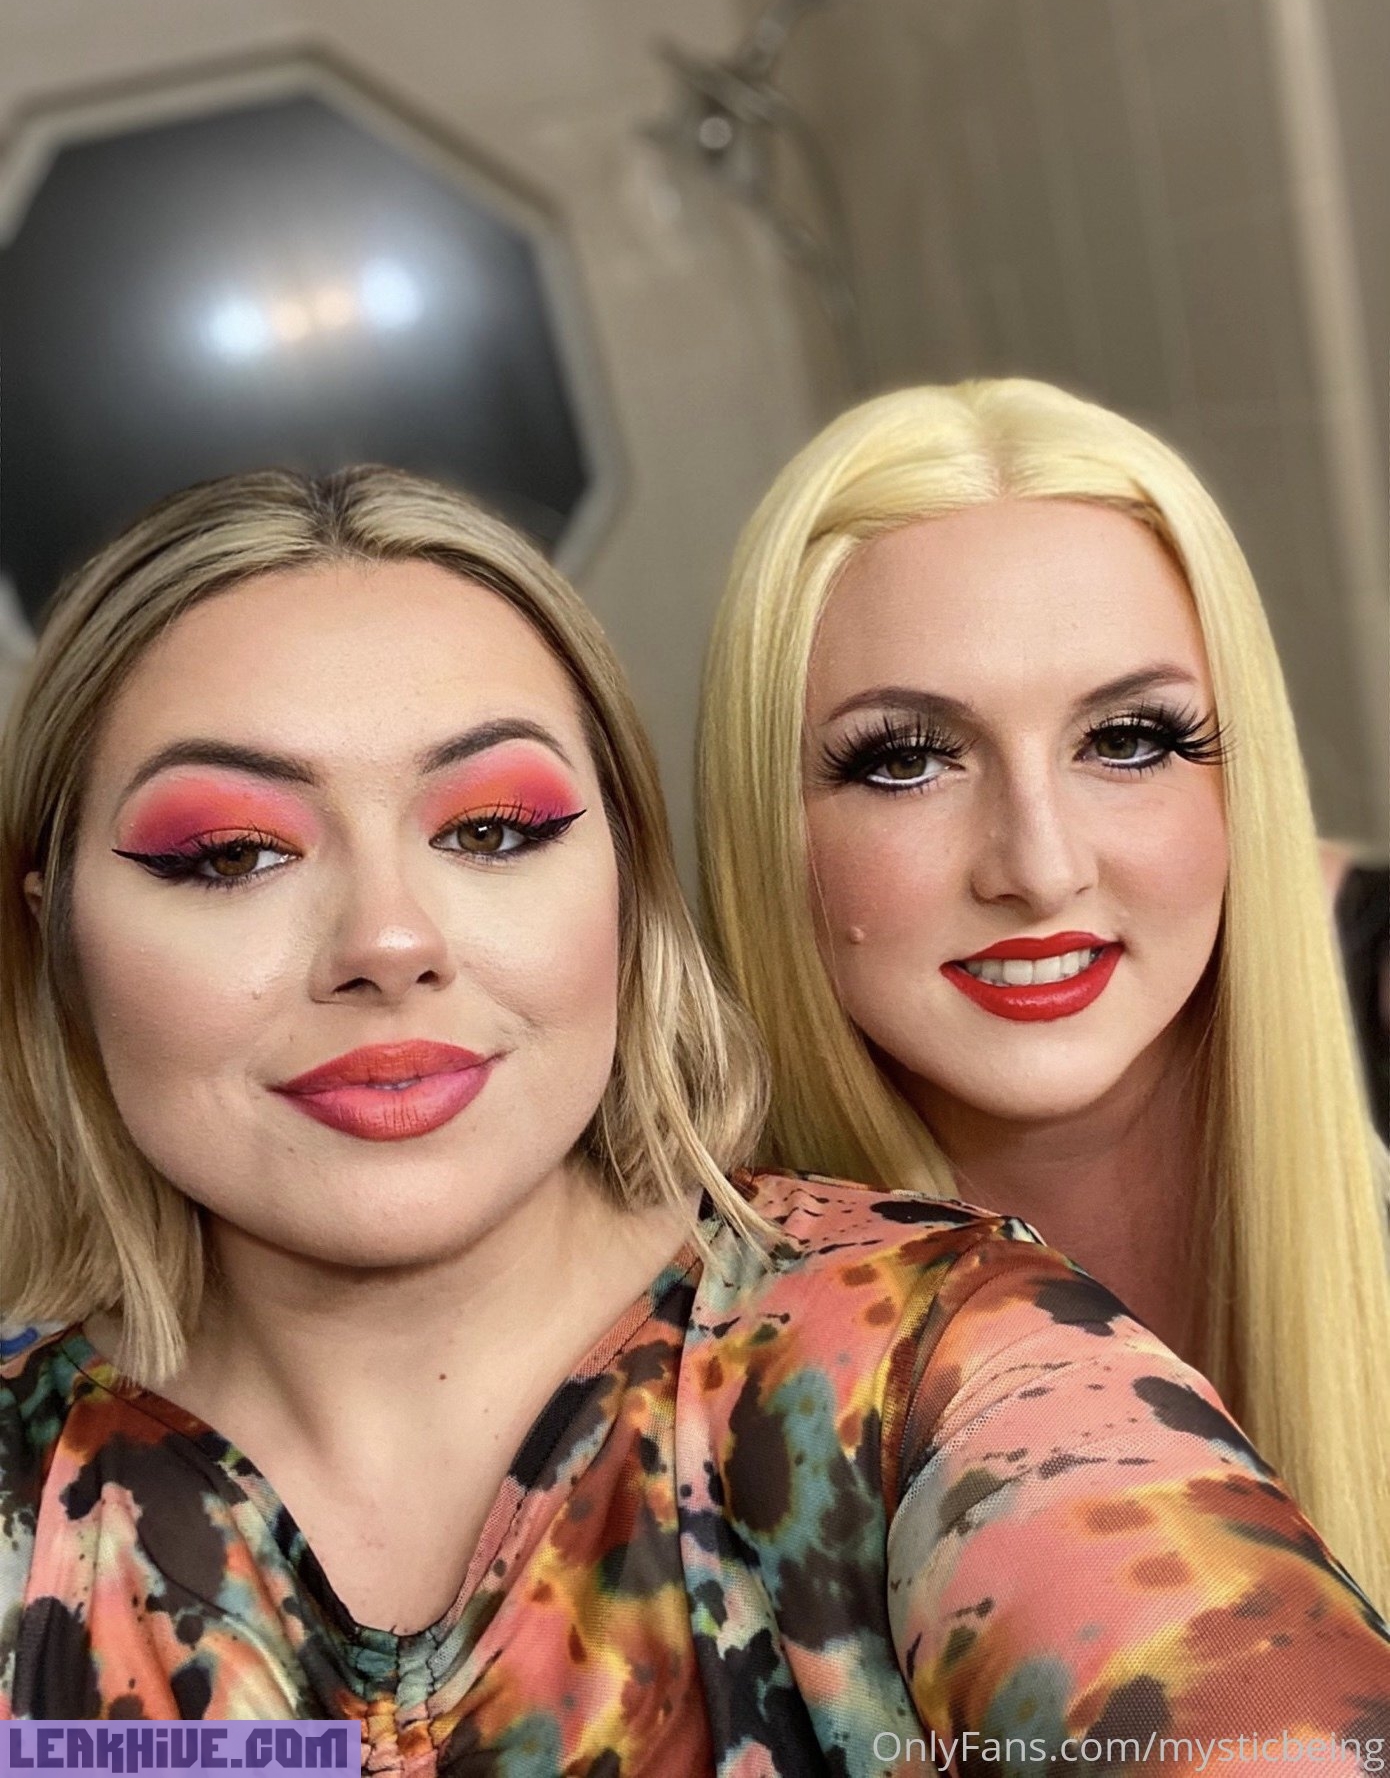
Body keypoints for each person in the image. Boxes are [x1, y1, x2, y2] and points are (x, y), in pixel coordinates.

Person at [2, 469, 1387, 1758]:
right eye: (230, 854)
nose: (388, 939)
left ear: (626, 880)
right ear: (53, 922)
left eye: (490, 830)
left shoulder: (933, 1372)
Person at [698, 378, 1390, 1616]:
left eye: (1127, 740)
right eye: (906, 760)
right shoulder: (667, 1350)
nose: (1040, 865)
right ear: (766, 828)